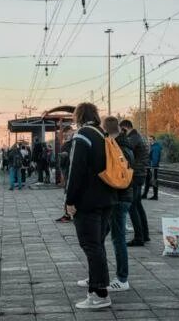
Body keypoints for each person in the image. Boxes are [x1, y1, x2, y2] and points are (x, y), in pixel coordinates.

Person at [67, 103, 117, 309]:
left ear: (78, 116)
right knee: (98, 245)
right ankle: (96, 288)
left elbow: (75, 171)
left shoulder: (83, 136)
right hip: (107, 199)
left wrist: (69, 200)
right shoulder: (101, 134)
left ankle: (99, 294)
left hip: (88, 202)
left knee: (91, 246)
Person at [102, 116, 134, 292]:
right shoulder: (126, 144)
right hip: (122, 196)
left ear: (105, 129)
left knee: (117, 238)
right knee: (101, 236)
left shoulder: (116, 147)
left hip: (118, 198)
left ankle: (122, 279)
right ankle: (99, 274)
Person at [119, 119, 150, 246]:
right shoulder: (137, 137)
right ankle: (145, 234)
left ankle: (139, 238)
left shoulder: (133, 138)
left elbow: (125, 148)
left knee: (132, 206)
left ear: (124, 128)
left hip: (135, 175)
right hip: (140, 174)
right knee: (138, 205)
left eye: (122, 131)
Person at [55, 126, 75, 222]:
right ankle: (69, 213)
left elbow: (64, 160)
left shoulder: (70, 144)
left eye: (67, 132)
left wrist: (63, 158)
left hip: (69, 171)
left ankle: (68, 214)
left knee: (68, 192)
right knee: (68, 192)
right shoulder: (70, 143)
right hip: (68, 170)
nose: (66, 135)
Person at [142, 136, 162, 200]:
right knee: (148, 180)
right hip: (150, 167)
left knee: (154, 181)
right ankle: (145, 194)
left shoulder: (155, 147)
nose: (149, 141)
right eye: (148, 140)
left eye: (150, 140)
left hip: (153, 167)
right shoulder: (152, 147)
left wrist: (152, 167)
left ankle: (155, 196)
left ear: (154, 140)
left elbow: (155, 158)